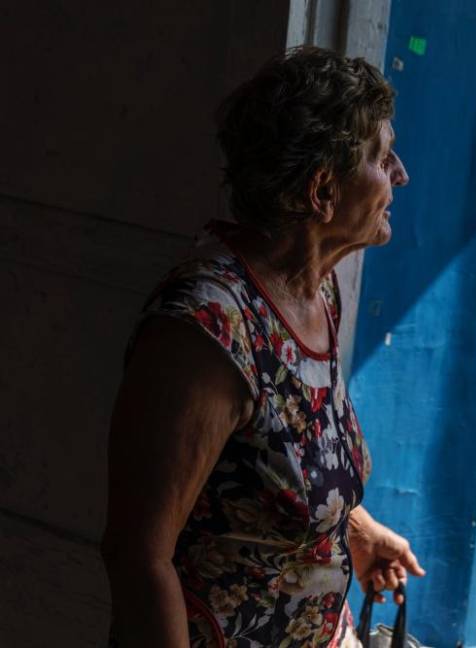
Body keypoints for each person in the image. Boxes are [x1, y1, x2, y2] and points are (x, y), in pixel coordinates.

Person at [100, 47, 424, 648]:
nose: (401, 174)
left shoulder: (317, 290)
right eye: (382, 158)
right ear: (323, 191)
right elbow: (139, 558)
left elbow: (278, 458)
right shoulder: (204, 330)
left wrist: (351, 526)